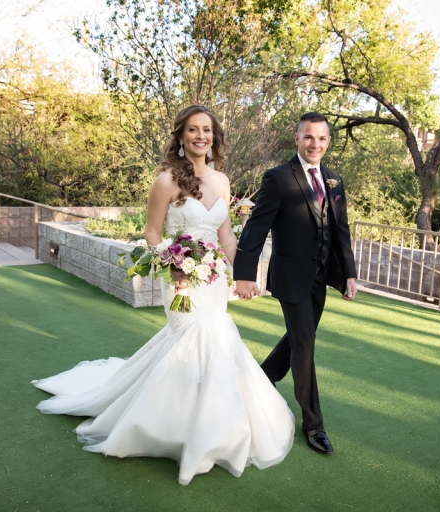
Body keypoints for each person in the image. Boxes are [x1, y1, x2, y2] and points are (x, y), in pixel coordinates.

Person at [31, 105, 295, 486]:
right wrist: (171, 262)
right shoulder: (167, 180)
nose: (200, 136)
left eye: (206, 129)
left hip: (214, 277)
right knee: (191, 339)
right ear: (182, 136)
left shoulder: (222, 181)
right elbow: (152, 232)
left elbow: (225, 236)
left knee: (216, 338)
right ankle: (172, 428)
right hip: (180, 278)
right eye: (192, 130)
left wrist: (243, 276)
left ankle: (215, 426)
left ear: (214, 136)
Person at [234, 112, 358, 455]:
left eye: (321, 138)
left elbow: (341, 230)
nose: (314, 144)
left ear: (328, 141)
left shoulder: (334, 180)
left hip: (320, 277)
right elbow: (256, 227)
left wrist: (348, 272)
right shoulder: (278, 178)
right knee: (305, 345)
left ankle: (262, 377)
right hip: (290, 276)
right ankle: (313, 424)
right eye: (308, 137)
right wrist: (244, 273)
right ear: (297, 138)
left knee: (300, 337)